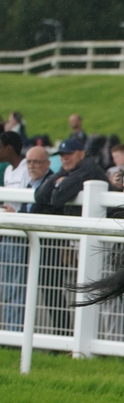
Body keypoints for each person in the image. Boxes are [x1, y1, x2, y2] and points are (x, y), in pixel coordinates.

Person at [0, 132, 31, 331]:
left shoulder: (25, 170)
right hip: (6, 233)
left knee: (17, 286)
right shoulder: (7, 172)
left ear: (9, 148)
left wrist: (17, 211)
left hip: (20, 233)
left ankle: (15, 332)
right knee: (6, 285)